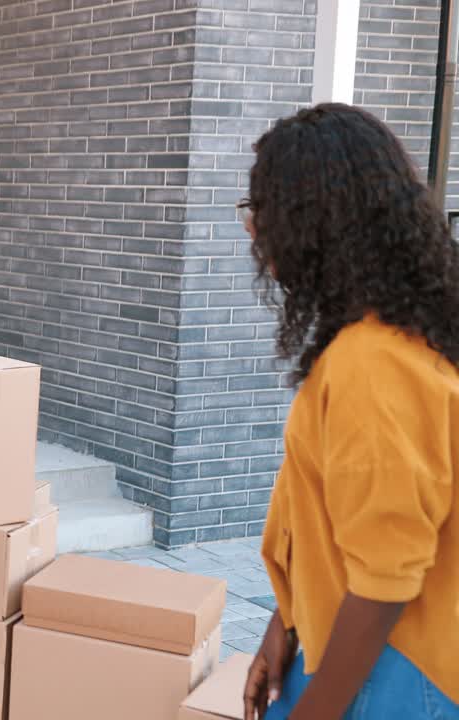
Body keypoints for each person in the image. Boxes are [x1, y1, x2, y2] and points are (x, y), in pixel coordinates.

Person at [240, 104, 458, 719]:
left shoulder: (373, 363)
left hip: (395, 671)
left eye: (262, 208)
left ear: (313, 219)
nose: (253, 228)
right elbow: (334, 527)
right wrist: (283, 624)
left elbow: (387, 576)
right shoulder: (394, 334)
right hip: (366, 651)